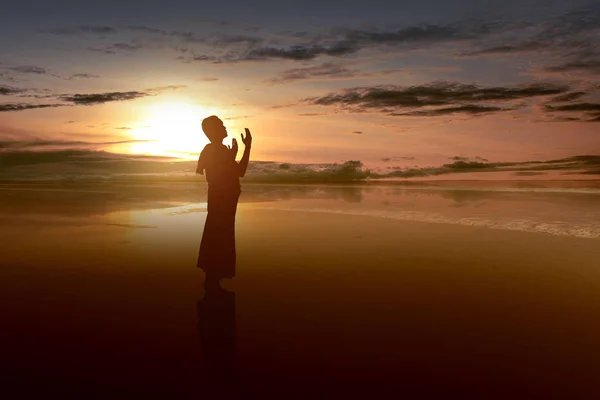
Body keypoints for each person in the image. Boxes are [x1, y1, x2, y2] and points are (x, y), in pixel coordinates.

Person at [196, 115, 252, 290]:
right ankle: (213, 277)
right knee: (222, 232)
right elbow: (239, 172)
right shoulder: (217, 150)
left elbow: (222, 172)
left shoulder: (213, 149)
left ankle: (213, 276)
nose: (224, 127)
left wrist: (232, 155)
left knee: (216, 231)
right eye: (221, 125)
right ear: (213, 131)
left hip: (219, 197)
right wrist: (248, 147)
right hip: (223, 198)